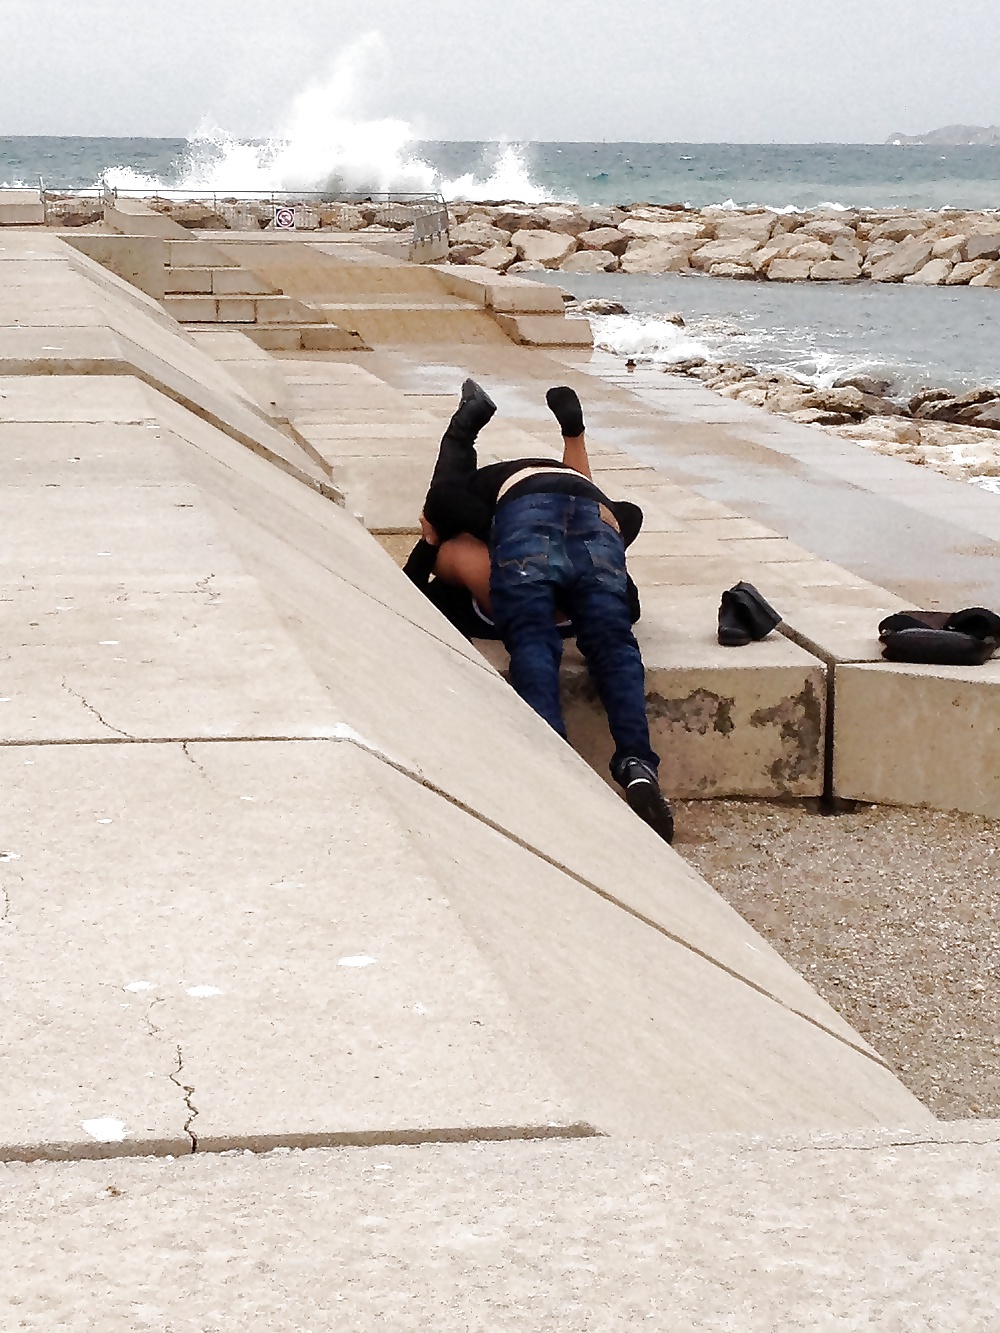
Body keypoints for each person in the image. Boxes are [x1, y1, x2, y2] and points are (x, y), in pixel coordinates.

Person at [405, 380, 674, 844]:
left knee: (531, 637)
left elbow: (436, 513)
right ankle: (637, 764)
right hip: (595, 517)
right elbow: (622, 518)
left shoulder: (468, 523)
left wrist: (430, 545)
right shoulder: (576, 498)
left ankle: (555, 763)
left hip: (527, 520)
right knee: (613, 644)